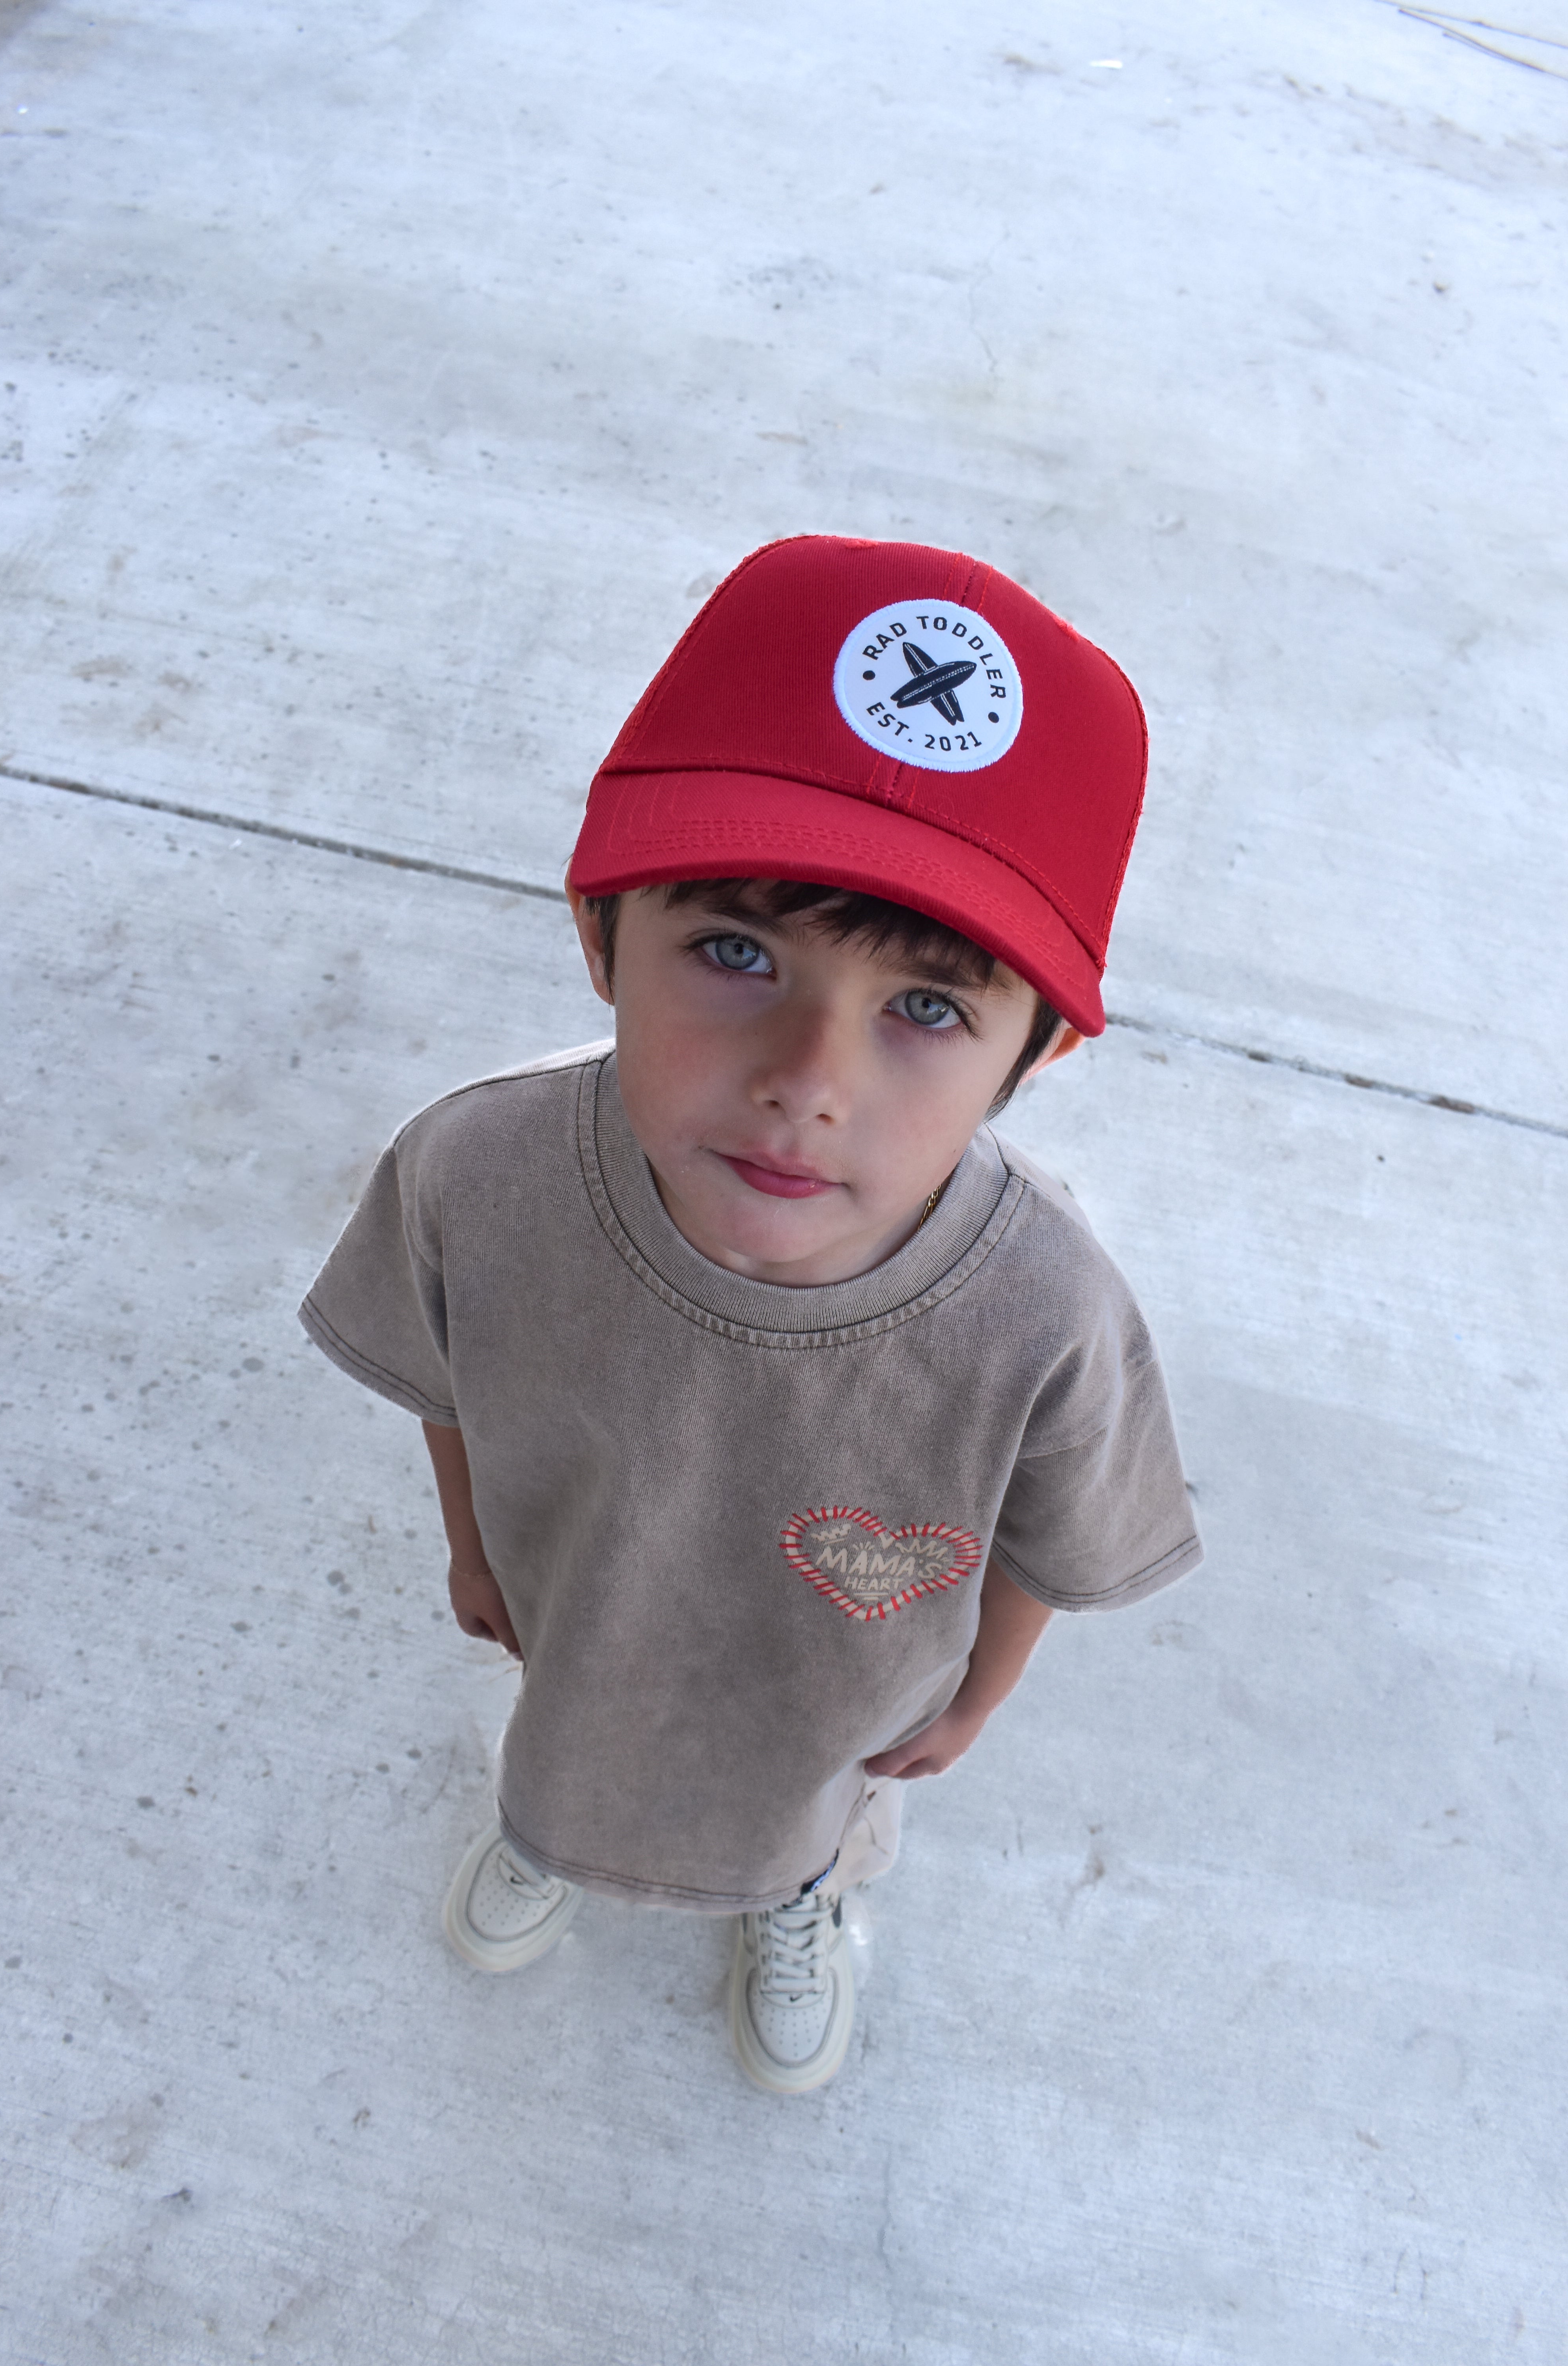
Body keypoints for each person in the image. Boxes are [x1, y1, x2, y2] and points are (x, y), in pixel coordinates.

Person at [299, 534, 1202, 2095]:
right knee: (567, 1743)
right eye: (733, 950)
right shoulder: (476, 1171)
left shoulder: (1046, 1314)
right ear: (598, 936)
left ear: (1033, 1056)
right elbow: (442, 1373)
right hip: (584, 1616)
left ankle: (792, 1898)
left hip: (833, 1698)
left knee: (805, 1808)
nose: (809, 1079)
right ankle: (557, 1842)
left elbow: (1054, 1540)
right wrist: (471, 1548)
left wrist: (973, 1702)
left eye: (928, 1005)